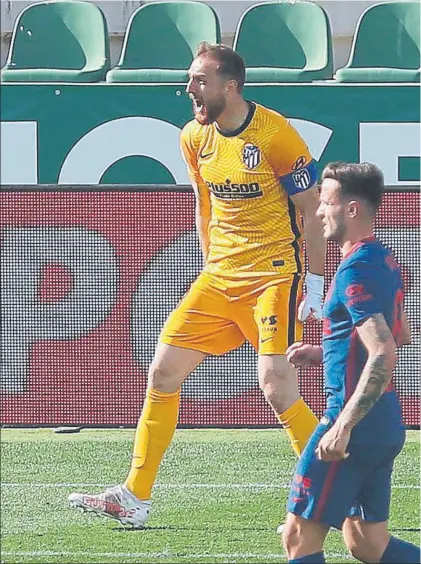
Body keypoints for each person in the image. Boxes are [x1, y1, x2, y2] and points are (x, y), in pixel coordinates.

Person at [68, 43, 326, 528]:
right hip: (219, 277)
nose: (189, 89)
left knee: (276, 388)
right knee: (162, 373)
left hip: (273, 275)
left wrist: (312, 280)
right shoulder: (193, 136)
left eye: (199, 80)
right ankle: (134, 496)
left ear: (229, 86)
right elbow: (204, 206)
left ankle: (333, 484)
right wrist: (210, 265)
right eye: (190, 79)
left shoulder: (276, 135)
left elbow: (312, 208)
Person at [282, 162, 420, 564]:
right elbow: (402, 334)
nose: (320, 212)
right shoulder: (385, 259)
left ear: (352, 209)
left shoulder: (353, 270)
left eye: (326, 203)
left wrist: (343, 426)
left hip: (353, 425)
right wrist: (328, 351)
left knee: (297, 538)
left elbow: (383, 350)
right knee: (367, 543)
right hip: (385, 424)